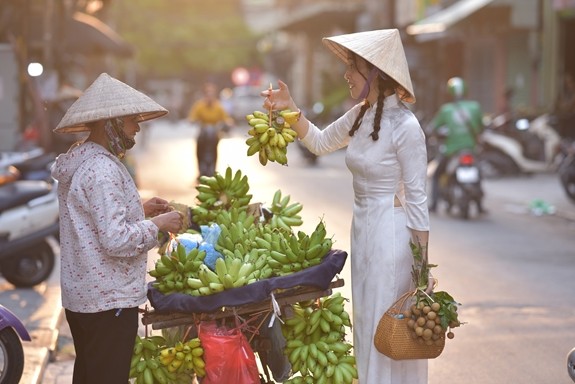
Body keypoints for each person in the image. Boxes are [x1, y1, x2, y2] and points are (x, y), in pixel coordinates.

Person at [262, 29, 433, 384]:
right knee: (367, 320)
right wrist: (290, 109)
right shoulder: (361, 114)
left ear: (375, 73)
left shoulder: (406, 127)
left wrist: (420, 270)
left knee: (389, 322)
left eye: (352, 68)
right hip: (364, 231)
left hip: (392, 236)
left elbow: (417, 202)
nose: (346, 75)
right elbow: (320, 142)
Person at [51, 73, 184, 384]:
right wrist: (156, 225)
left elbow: (93, 218)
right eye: (131, 120)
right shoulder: (102, 169)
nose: (137, 127)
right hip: (107, 301)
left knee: (88, 375)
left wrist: (139, 209)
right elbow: (115, 239)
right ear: (110, 122)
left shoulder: (81, 159)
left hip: (84, 297)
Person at [428, 77, 485, 213]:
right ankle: (479, 206)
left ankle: (434, 205)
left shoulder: (446, 110)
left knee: (436, 175)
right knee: (478, 173)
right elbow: (481, 128)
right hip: (471, 149)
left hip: (451, 151)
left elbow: (433, 128)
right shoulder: (475, 107)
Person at [187, 82, 234, 178]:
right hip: (203, 131)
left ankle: (213, 169)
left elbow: (226, 118)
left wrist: (229, 122)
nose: (209, 96)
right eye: (208, 94)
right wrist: (192, 120)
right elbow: (192, 117)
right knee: (199, 148)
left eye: (211, 94)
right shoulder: (199, 105)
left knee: (215, 149)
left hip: (214, 133)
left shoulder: (218, 106)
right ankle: (200, 170)